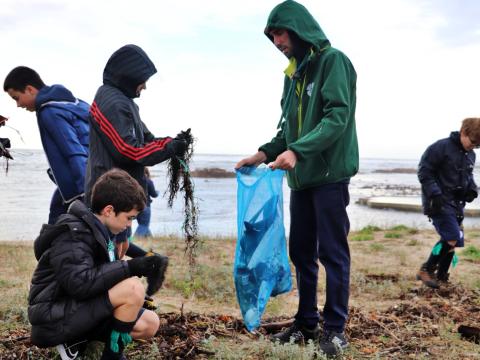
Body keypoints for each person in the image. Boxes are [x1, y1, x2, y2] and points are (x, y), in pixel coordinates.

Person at [235, 0, 358, 356]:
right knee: (301, 251)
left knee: (332, 253)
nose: (276, 41)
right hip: (301, 179)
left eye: (279, 32)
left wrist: (298, 151)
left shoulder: (332, 61)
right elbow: (287, 131)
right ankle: (306, 322)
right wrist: (262, 153)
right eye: (271, 36)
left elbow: (337, 117)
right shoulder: (293, 74)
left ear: (298, 28)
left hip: (330, 174)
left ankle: (335, 329)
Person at [28, 169, 167, 360]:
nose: (129, 225)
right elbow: (80, 284)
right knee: (133, 287)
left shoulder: (101, 230)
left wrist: (148, 260)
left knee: (149, 323)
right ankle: (110, 356)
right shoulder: (72, 236)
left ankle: (78, 340)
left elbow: (102, 273)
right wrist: (131, 267)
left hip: (77, 309)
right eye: (129, 218)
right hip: (52, 320)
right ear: (109, 210)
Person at [85, 44, 188, 260]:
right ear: (128, 76)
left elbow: (146, 140)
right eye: (143, 80)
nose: (144, 87)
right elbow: (128, 149)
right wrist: (169, 148)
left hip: (122, 196)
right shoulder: (111, 102)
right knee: (108, 256)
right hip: (109, 199)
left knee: (118, 251)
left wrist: (173, 142)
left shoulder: (125, 102)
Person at [3, 67, 89, 224]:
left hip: (80, 187)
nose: (18, 105)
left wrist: (87, 193)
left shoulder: (49, 111)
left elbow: (74, 152)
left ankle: (127, 250)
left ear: (29, 89)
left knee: (56, 236)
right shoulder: (73, 103)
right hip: (81, 180)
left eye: (16, 98)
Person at [416, 118, 480, 289]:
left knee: (455, 240)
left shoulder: (470, 155)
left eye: (478, 145)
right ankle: (426, 270)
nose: (473, 147)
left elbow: (468, 177)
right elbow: (424, 172)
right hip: (438, 201)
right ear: (464, 132)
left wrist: (472, 189)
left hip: (457, 204)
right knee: (451, 236)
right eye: (473, 142)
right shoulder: (440, 147)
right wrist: (434, 193)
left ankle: (442, 276)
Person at [134, 167, 158, 238]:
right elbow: (154, 194)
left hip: (135, 206)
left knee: (143, 224)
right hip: (146, 206)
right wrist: (157, 193)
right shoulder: (148, 181)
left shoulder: (133, 181)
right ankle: (135, 239)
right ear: (147, 173)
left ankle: (150, 238)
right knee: (144, 225)